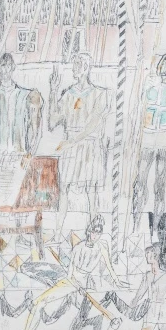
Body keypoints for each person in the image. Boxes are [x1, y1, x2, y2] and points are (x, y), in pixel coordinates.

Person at [7, 215, 124, 330]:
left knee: (41, 302)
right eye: (94, 232)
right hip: (72, 282)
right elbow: (70, 275)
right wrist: (78, 286)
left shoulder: (102, 247)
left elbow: (110, 267)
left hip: (84, 283)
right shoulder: (78, 248)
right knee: (38, 303)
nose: (95, 236)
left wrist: (117, 281)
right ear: (88, 231)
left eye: (98, 233)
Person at [47, 52, 110, 238]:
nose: (73, 69)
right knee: (64, 189)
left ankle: (93, 234)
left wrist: (72, 141)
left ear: (85, 68)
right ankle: (57, 233)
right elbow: (52, 122)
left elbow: (94, 124)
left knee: (91, 191)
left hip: (89, 147)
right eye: (73, 65)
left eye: (77, 65)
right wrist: (53, 92)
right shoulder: (68, 95)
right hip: (71, 146)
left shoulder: (100, 94)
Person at [133, 51, 166, 231]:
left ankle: (155, 228)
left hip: (165, 140)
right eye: (165, 65)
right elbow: (139, 113)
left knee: (159, 186)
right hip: (147, 138)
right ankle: (136, 224)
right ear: (159, 67)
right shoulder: (150, 89)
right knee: (140, 183)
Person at [0, 52, 43, 161]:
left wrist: (30, 154)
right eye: (3, 65)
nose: (6, 69)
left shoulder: (25, 96)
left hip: (18, 157)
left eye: (9, 65)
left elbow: (35, 131)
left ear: (13, 67)